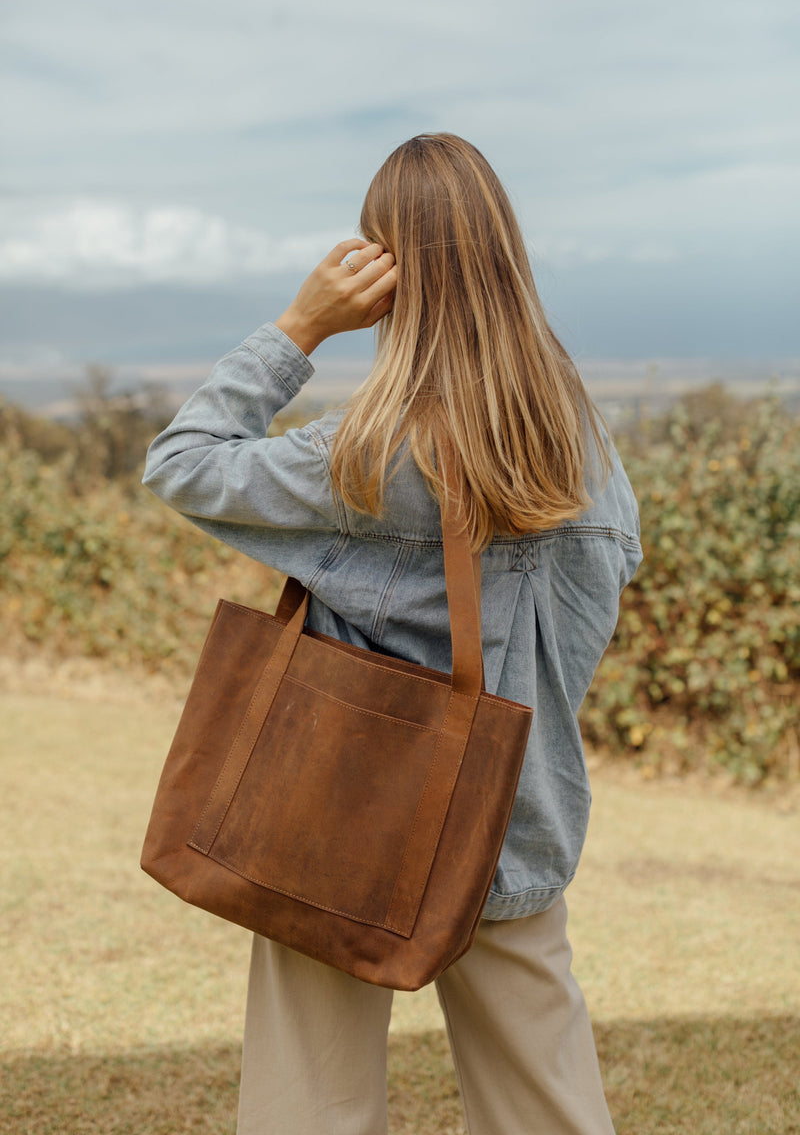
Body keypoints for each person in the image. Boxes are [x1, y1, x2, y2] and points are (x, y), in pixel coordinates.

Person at [143, 132, 642, 1135]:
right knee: (547, 1107)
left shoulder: (369, 451)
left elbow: (182, 461)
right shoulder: (583, 449)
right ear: (503, 254)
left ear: (386, 274)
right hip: (518, 815)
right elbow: (588, 621)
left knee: (310, 1103)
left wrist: (298, 326)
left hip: (338, 823)